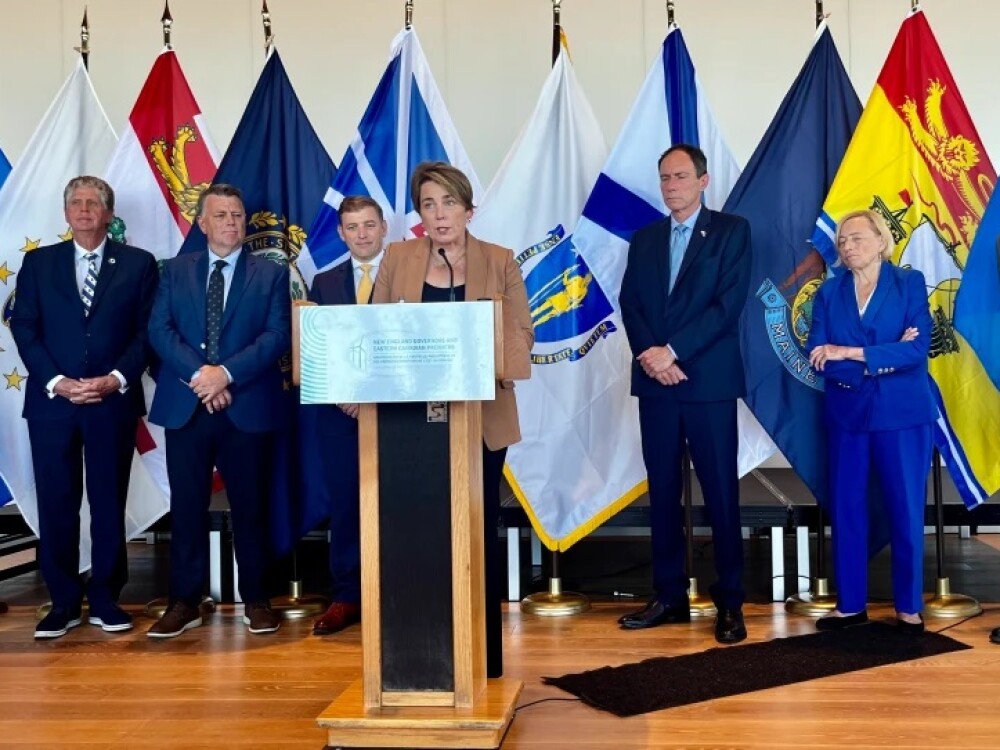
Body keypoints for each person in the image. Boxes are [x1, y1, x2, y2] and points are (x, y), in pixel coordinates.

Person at [372, 161, 533, 678]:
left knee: (476, 532)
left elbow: (522, 335)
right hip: (407, 427)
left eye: (448, 203)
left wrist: (484, 357)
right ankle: (419, 654)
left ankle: (481, 653)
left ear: (469, 208)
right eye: (427, 205)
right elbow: (375, 332)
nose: (438, 215)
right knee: (416, 534)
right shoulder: (397, 258)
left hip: (479, 422)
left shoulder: (500, 260)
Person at [11, 175, 158, 639]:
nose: (85, 208)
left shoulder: (138, 264)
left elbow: (146, 332)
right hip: (53, 404)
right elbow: (25, 327)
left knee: (108, 502)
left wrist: (114, 380)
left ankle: (106, 598)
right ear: (66, 212)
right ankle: (62, 603)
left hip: (111, 402)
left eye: (94, 202)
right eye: (76, 201)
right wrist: (58, 382)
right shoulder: (39, 264)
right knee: (57, 504)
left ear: (109, 214)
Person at [617, 144, 751, 644]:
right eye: (664, 177)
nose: (671, 185)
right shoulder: (646, 238)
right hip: (657, 387)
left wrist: (672, 351)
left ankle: (731, 603)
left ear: (703, 180)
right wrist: (653, 357)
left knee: (721, 494)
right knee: (663, 495)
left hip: (708, 384)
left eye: (679, 176)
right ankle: (669, 596)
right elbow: (631, 304)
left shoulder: (732, 231)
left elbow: (727, 305)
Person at [146, 184, 290, 638]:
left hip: (246, 405)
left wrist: (225, 374)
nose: (231, 222)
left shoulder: (269, 274)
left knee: (250, 507)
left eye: (237, 214)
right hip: (187, 406)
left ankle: (258, 601)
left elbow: (275, 336)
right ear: (203, 223)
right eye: (221, 215)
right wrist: (203, 377)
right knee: (187, 507)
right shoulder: (174, 270)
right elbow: (160, 330)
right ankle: (183, 602)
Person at [807, 209, 934, 635]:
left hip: (902, 417)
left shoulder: (909, 283)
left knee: (905, 509)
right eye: (842, 241)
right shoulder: (829, 292)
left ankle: (909, 607)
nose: (847, 246)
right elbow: (817, 354)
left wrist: (851, 353)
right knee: (846, 508)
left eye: (857, 238)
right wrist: (878, 356)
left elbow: (917, 351)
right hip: (847, 415)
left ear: (881, 240)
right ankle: (851, 605)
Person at [308, 196, 388, 635]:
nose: (361, 234)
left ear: (383, 228)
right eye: (353, 227)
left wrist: (375, 398)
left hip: (396, 412)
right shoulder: (324, 283)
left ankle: (395, 590)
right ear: (341, 233)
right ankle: (347, 596)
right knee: (346, 504)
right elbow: (317, 349)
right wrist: (345, 397)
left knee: (395, 502)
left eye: (369, 225)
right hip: (339, 414)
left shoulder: (407, 276)